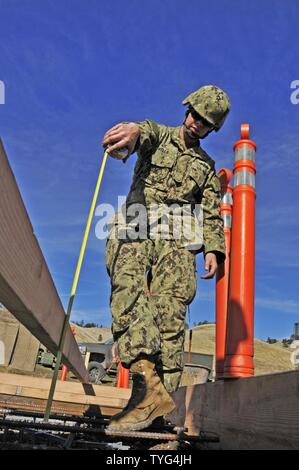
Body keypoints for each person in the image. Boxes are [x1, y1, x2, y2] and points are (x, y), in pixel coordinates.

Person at [102, 85, 230, 432]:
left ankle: (158, 413)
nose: (195, 123)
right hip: (139, 221)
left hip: (176, 236)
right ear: (186, 109)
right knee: (126, 281)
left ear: (211, 129)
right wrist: (131, 133)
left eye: (204, 122)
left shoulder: (206, 167)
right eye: (193, 114)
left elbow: (212, 212)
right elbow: (142, 132)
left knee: (170, 314)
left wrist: (214, 249)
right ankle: (147, 386)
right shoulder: (159, 136)